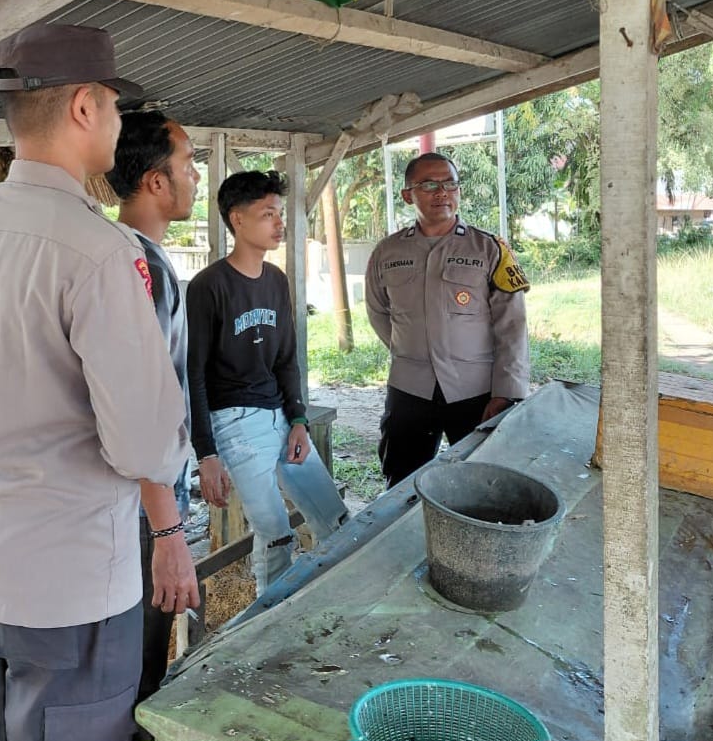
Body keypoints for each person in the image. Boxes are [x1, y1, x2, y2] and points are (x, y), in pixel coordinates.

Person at [0, 23, 195, 741]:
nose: (115, 122)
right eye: (112, 105)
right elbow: (142, 443)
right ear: (82, 107)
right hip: (74, 581)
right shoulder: (101, 252)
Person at [186, 170, 348, 594]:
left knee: (337, 520)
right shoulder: (209, 287)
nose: (279, 224)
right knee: (276, 534)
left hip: (279, 414)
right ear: (237, 220)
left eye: (280, 214)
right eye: (268, 214)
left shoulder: (276, 282)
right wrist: (206, 454)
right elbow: (194, 374)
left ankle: (339, 602)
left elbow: (287, 359)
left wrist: (298, 420)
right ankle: (271, 624)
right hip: (235, 423)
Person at [105, 110, 207, 718]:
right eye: (189, 163)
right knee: (139, 658)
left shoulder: (132, 257)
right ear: (156, 182)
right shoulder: (135, 267)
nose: (197, 177)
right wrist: (166, 530)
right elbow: (135, 406)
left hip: (144, 498)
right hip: (141, 504)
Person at [365, 151, 530, 488]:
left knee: (481, 483)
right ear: (408, 195)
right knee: (401, 480)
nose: (442, 192)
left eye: (449, 183)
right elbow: (379, 313)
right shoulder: (388, 252)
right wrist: (412, 351)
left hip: (477, 391)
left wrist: (506, 392)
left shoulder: (488, 249)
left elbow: (512, 327)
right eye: (429, 184)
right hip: (410, 390)